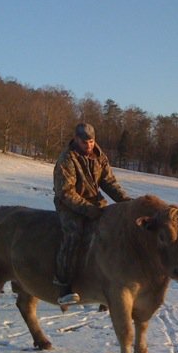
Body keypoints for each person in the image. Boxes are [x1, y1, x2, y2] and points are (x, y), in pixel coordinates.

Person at [53, 123, 131, 305]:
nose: (88, 145)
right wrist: (88, 209)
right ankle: (63, 284)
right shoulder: (67, 159)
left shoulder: (99, 157)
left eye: (91, 141)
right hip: (69, 204)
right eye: (84, 141)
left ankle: (108, 279)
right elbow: (65, 192)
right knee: (73, 234)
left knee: (114, 230)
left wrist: (127, 203)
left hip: (95, 202)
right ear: (76, 139)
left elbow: (109, 182)